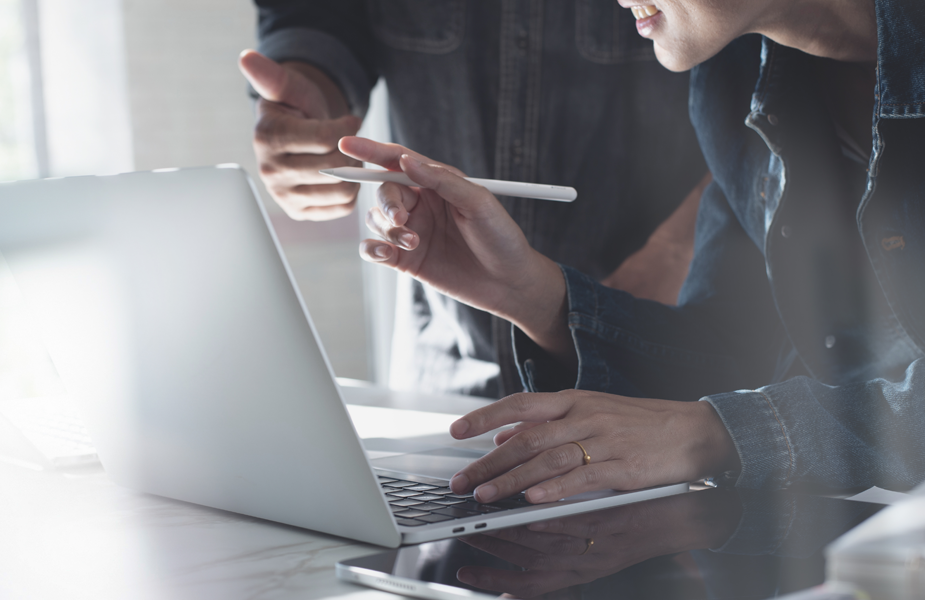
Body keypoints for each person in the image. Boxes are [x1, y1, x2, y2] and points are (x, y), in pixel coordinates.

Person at [345, 0, 925, 502]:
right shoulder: (731, 75)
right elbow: (733, 355)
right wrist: (531, 293)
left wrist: (715, 434)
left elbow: (721, 419)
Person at [241, 1, 709, 398]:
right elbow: (318, 19)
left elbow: (763, 72)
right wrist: (309, 115)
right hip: (446, 365)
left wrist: (685, 245)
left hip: (655, 346)